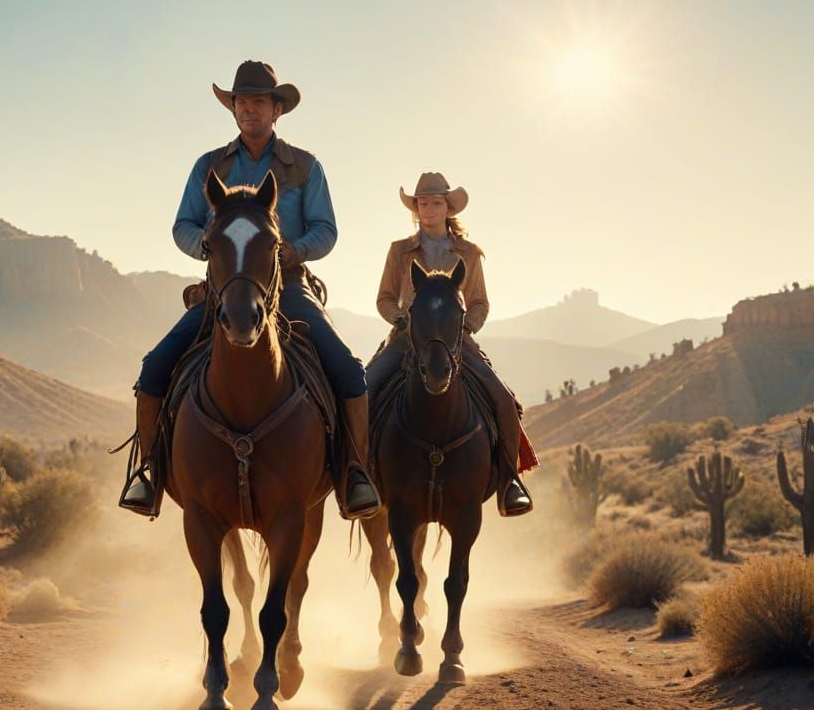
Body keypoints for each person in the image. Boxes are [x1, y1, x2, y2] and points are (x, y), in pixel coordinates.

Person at [122, 60, 381, 520]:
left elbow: (327, 230)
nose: (249, 110)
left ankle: (354, 474)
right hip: (220, 291)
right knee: (155, 367)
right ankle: (148, 472)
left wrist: (290, 252)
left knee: (349, 369)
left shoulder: (305, 166)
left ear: (277, 109)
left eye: (258, 102)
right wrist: (206, 244)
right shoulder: (209, 166)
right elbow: (182, 224)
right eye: (241, 102)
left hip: (289, 287)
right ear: (233, 109)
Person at [367, 171, 535, 516]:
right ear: (416, 209)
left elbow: (479, 303)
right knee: (362, 391)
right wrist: (400, 318)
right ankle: (357, 474)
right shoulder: (399, 252)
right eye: (422, 203)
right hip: (406, 339)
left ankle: (508, 481)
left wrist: (465, 328)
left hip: (454, 341)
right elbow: (384, 298)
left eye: (435, 203)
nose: (428, 209)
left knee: (502, 397)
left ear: (448, 208)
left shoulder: (469, 253)